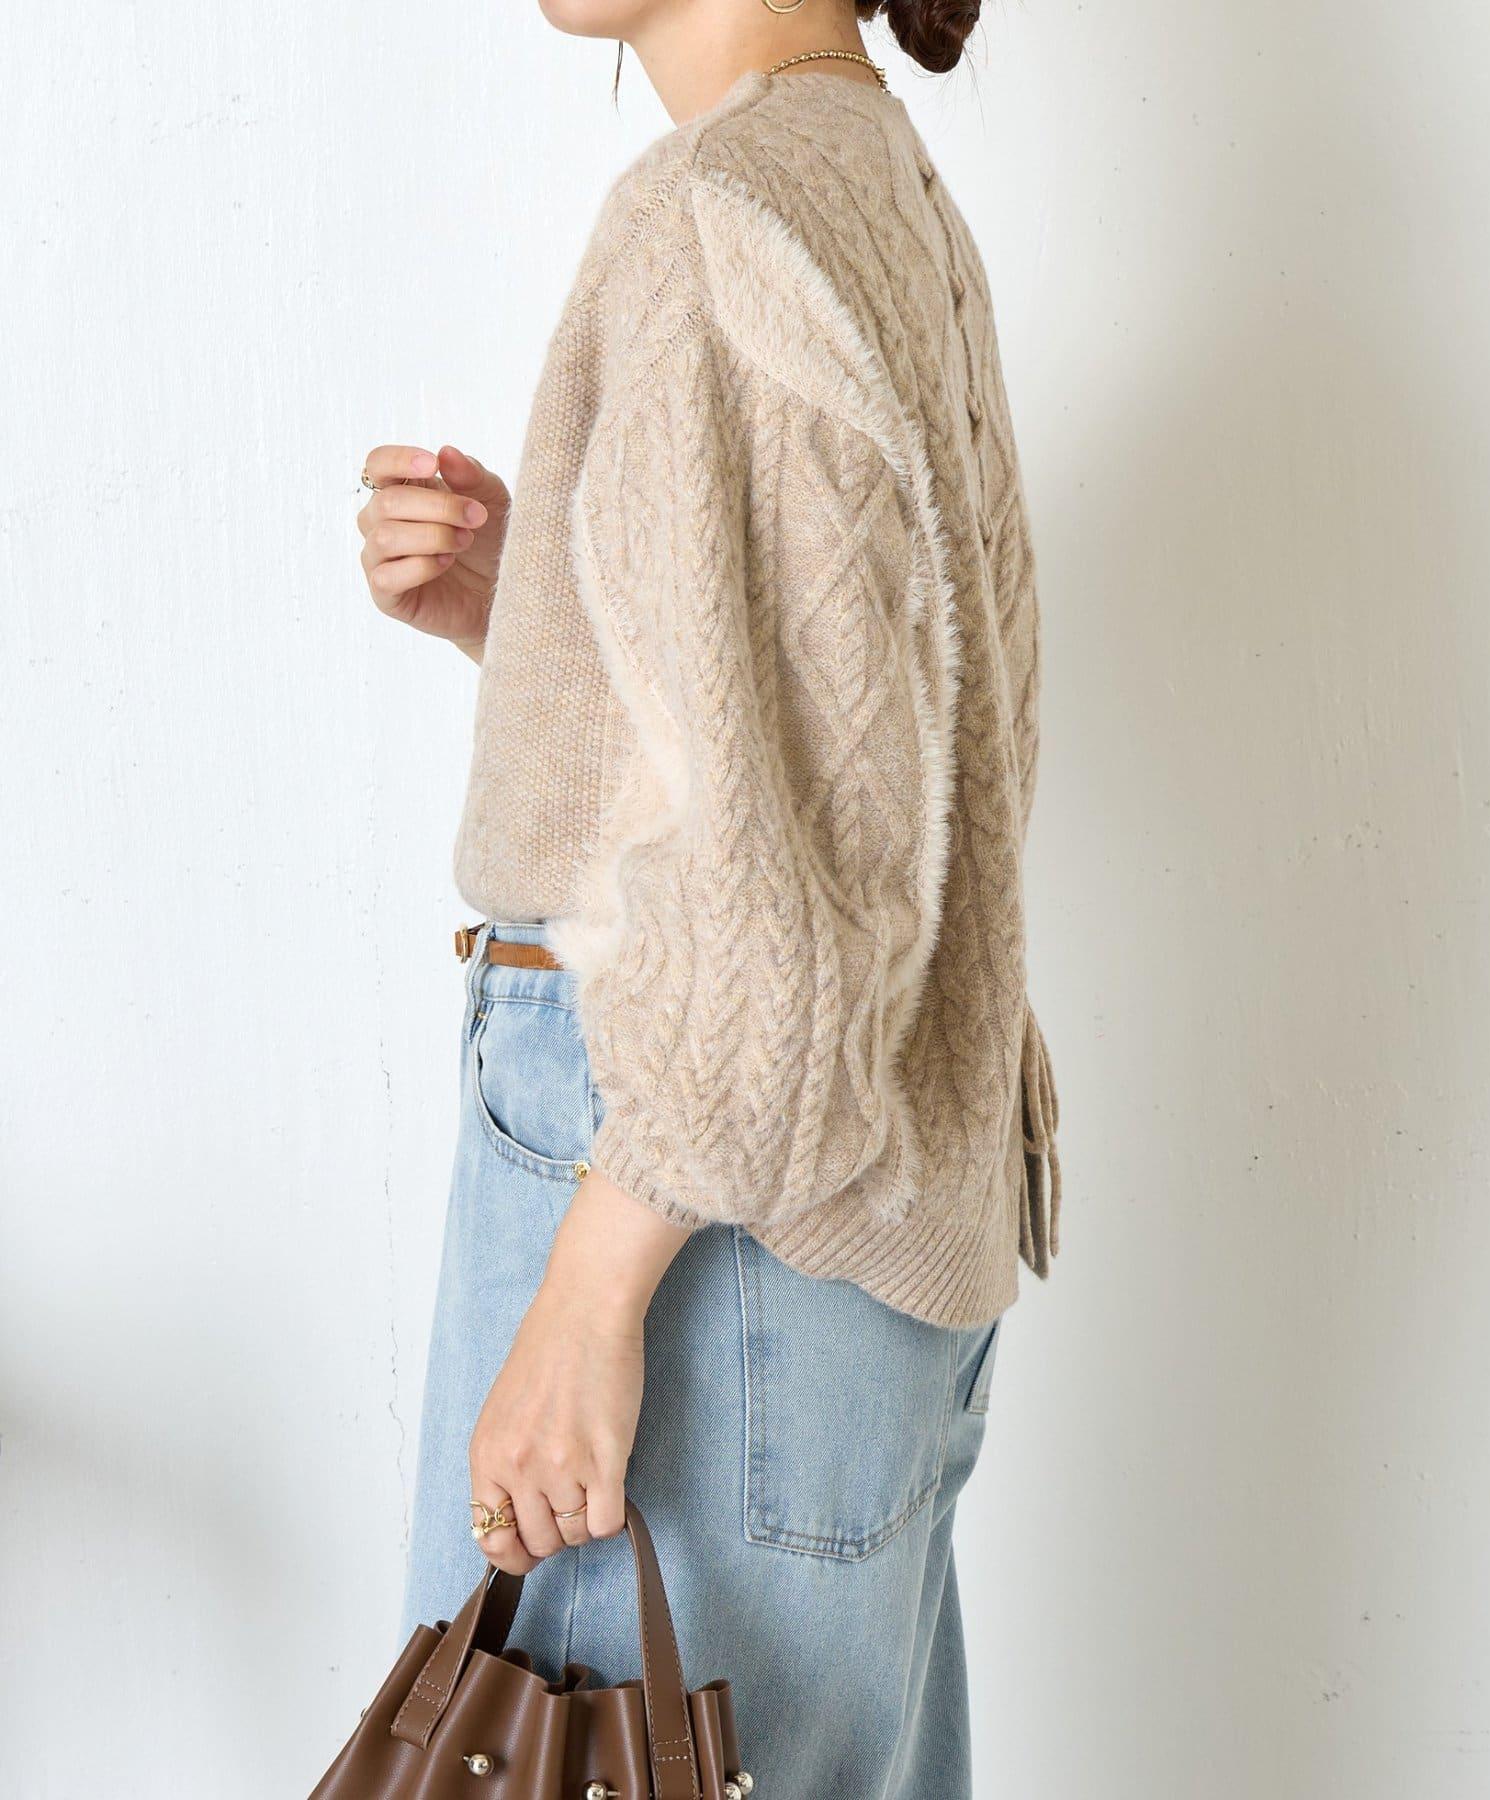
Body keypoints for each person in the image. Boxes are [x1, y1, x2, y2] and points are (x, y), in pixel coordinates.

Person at [354, 2, 1060, 1793]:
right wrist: (541, 622)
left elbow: (789, 906)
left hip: (703, 1240)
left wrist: (593, 1295)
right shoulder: (872, 181)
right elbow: (853, 761)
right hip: (850, 1258)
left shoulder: (711, 213)